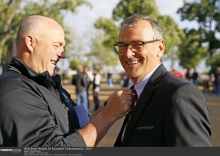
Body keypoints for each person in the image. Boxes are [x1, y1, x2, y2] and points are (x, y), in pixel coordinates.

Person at [0, 15, 133, 147]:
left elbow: (80, 124)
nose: (63, 55)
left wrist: (107, 107)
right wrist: (109, 115)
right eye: (57, 46)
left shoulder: (48, 84)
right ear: (30, 43)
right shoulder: (15, 90)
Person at [113, 14, 212, 147]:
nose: (128, 54)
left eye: (138, 44)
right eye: (122, 46)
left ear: (160, 48)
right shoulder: (134, 95)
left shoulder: (180, 94)